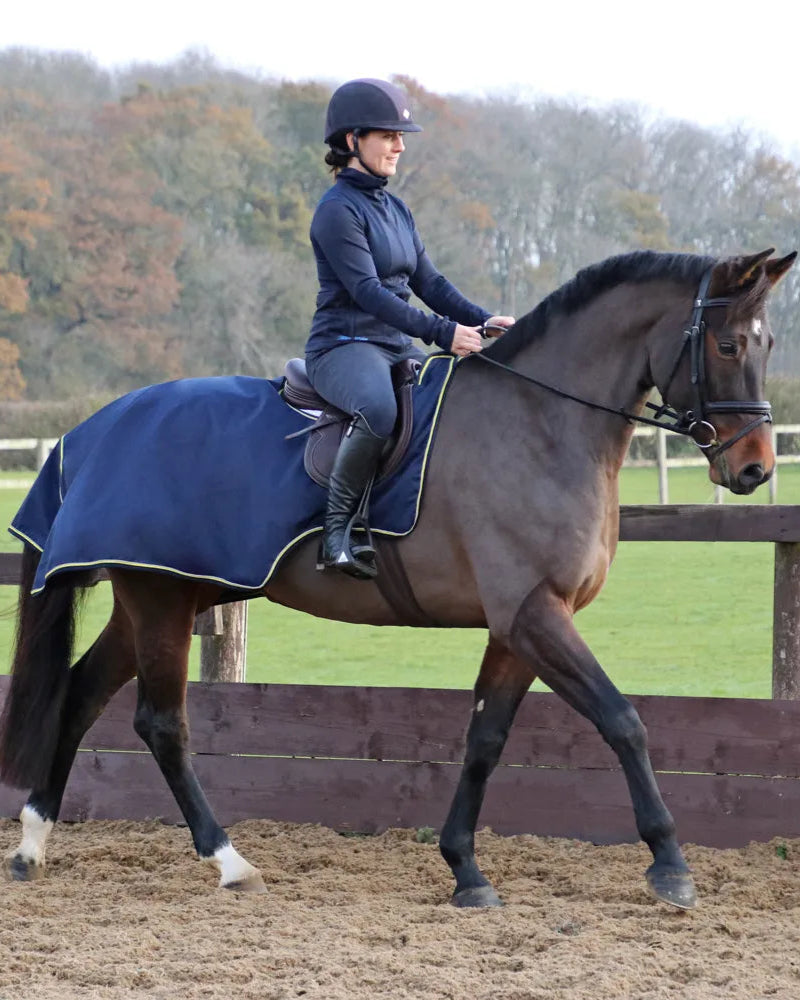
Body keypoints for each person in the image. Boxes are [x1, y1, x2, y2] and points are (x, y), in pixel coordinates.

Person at [305, 78, 514, 580]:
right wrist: (443, 333)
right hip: (345, 345)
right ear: (352, 141)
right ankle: (336, 535)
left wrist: (481, 319)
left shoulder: (395, 208)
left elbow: (429, 281)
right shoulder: (336, 212)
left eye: (402, 136)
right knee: (377, 408)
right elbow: (369, 293)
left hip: (395, 345)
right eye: (388, 135)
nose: (400, 145)